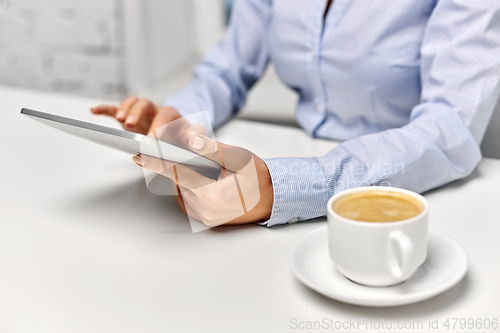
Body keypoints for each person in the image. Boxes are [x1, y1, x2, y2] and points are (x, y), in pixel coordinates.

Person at [91, 0, 500, 227]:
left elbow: (449, 128)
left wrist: (284, 187)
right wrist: (179, 115)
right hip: (301, 179)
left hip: (427, 195)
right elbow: (227, 69)